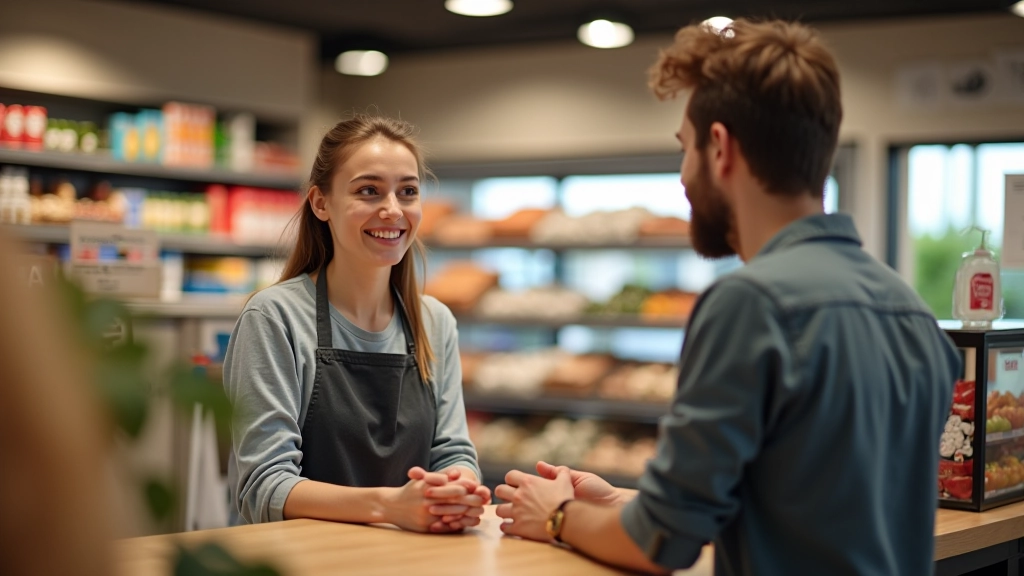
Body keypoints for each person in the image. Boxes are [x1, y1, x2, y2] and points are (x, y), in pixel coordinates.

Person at [495, 19, 960, 575]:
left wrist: (559, 514)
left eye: (684, 149)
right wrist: (622, 503)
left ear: (720, 148)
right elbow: (811, 511)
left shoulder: (751, 303)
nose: (683, 177)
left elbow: (660, 544)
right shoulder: (909, 309)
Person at [224, 115, 489, 532]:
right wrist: (390, 506)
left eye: (408, 192)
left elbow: (453, 451)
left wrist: (458, 487)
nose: (392, 209)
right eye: (368, 190)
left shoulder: (435, 322)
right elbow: (263, 486)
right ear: (320, 203)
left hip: (404, 557)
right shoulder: (275, 317)